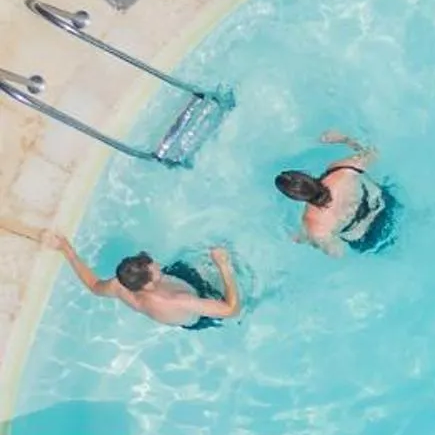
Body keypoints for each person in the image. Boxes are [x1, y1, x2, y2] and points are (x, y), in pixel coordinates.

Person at [11, 225, 244, 329]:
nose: (155, 261)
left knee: (184, 265)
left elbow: (93, 285)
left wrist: (67, 251)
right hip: (196, 316)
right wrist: (224, 266)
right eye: (153, 266)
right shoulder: (179, 299)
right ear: (152, 282)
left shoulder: (118, 286)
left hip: (169, 291)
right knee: (239, 295)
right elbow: (232, 310)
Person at [276, 130, 395, 255]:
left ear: (296, 198)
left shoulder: (313, 222)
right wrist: (344, 139)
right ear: (307, 175)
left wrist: (309, 239)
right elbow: (374, 154)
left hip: (370, 239)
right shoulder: (341, 170)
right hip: (387, 205)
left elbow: (337, 253)